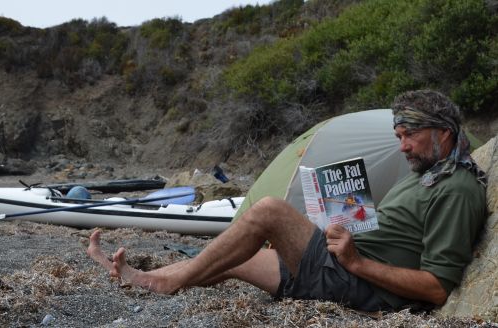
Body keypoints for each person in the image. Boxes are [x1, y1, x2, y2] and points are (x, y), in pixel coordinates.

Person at [87, 90, 487, 312]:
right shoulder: (431, 175)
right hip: (345, 266)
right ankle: (142, 278)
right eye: (398, 136)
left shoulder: (457, 190)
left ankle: (168, 283)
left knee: (268, 212)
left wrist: (356, 261)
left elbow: (436, 288)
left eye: (409, 136)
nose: (402, 147)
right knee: (232, 259)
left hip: (356, 281)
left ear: (444, 134)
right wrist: (352, 220)